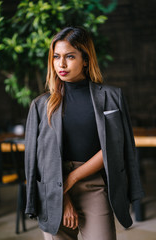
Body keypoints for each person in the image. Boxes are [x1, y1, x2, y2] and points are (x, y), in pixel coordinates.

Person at [25, 26, 144, 240]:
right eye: (56, 57)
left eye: (70, 56)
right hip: (53, 190)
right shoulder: (40, 105)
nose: (61, 64)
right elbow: (36, 161)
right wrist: (63, 197)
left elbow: (116, 147)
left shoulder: (111, 97)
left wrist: (73, 177)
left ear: (86, 59)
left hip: (93, 185)